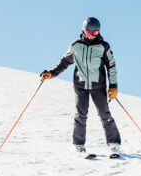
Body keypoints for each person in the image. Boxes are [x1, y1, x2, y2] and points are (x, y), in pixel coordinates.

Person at [41, 17, 122, 158]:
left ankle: (114, 144)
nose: (93, 35)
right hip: (80, 85)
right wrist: (52, 73)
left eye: (96, 33)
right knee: (81, 114)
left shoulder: (104, 46)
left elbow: (111, 66)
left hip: (98, 85)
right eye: (90, 32)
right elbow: (64, 62)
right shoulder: (76, 45)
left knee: (104, 114)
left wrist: (113, 85)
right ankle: (78, 145)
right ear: (83, 30)